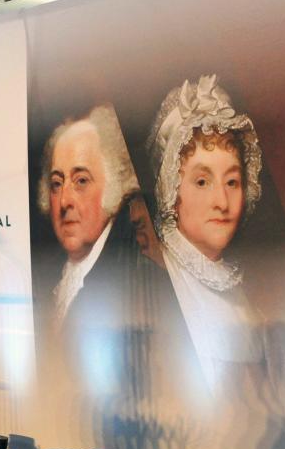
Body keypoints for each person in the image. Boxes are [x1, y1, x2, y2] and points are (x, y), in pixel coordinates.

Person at [145, 74, 264, 392]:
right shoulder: (157, 280)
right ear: (171, 190)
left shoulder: (236, 288)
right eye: (202, 181)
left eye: (232, 182)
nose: (222, 202)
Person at [37, 103, 141, 330]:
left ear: (113, 186)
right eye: (56, 183)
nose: (64, 201)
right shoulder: (45, 273)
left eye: (81, 180)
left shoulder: (132, 272)